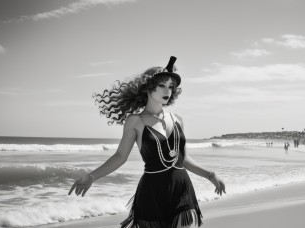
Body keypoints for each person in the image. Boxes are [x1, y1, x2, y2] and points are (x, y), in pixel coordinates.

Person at [68, 56, 226, 228]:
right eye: (162, 85)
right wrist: (92, 176)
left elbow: (184, 159)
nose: (168, 90)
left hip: (182, 189)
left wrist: (211, 175)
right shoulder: (135, 121)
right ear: (149, 87)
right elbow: (120, 156)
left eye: (171, 87)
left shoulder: (177, 119)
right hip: (152, 193)